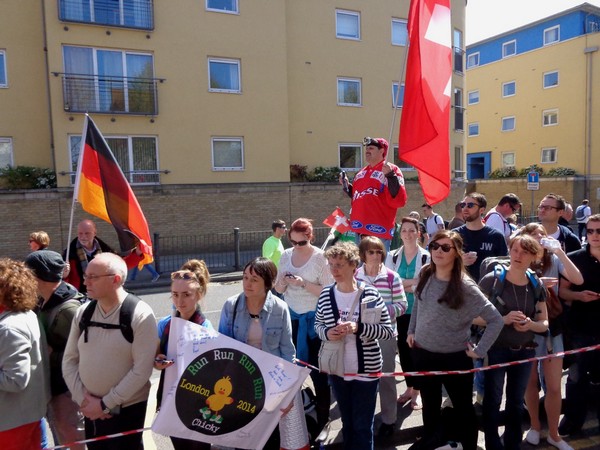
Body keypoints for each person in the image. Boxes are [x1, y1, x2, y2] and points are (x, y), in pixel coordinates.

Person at [407, 231, 503, 450]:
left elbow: (495, 319)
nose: (438, 251)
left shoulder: (465, 286)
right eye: (434, 246)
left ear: (456, 253)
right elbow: (419, 303)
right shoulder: (425, 272)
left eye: (445, 247)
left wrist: (479, 350)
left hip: (454, 358)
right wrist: (411, 331)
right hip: (423, 354)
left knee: (463, 410)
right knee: (430, 407)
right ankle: (431, 443)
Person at [62, 253, 157, 450]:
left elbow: (141, 370)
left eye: (93, 277)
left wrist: (105, 404)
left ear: (115, 279)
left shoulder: (140, 314)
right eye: (86, 276)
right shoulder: (83, 312)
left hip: (127, 411)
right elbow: (69, 361)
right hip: (90, 410)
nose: (85, 282)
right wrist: (84, 400)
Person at [219, 257, 309, 450]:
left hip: (270, 384)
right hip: (240, 384)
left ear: (268, 283)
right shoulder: (231, 305)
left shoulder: (279, 308)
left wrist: (288, 392)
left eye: (254, 279)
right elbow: (222, 348)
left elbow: (287, 352)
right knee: (244, 437)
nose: (247, 283)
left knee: (270, 438)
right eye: (245, 277)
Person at [315, 242, 394, 450]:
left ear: (353, 265)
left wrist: (358, 328)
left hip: (367, 371)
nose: (334, 270)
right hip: (337, 370)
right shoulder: (326, 294)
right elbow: (318, 326)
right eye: (331, 265)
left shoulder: (371, 294)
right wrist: (327, 333)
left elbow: (387, 331)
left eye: (340, 265)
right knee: (347, 423)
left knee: (362, 425)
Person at [478, 235, 549, 450]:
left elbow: (544, 323)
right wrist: (503, 319)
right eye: (515, 250)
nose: (518, 255)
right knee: (493, 400)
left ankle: (512, 443)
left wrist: (530, 324)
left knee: (516, 402)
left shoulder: (536, 284)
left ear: (534, 256)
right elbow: (472, 317)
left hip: (525, 350)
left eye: (525, 252)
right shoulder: (492, 280)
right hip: (496, 348)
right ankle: (493, 445)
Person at [518, 224, 582, 450]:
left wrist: (560, 252)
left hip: (552, 328)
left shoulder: (553, 260)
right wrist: (537, 283)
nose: (539, 238)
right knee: (530, 383)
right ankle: (535, 426)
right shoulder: (519, 259)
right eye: (533, 234)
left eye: (542, 235)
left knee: (554, 387)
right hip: (527, 326)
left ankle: (554, 434)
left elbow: (578, 279)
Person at [274, 218, 334, 431]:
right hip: (291, 319)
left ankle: (324, 419)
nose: (297, 246)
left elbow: (329, 291)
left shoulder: (320, 258)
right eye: (293, 242)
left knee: (318, 373)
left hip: (315, 321)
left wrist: (303, 284)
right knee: (291, 370)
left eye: (302, 242)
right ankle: (296, 418)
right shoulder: (286, 255)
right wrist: (283, 280)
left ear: (310, 238)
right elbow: (278, 289)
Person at [24, 250, 86, 449]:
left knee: (73, 439)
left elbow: (85, 354)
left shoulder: (68, 310)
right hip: (55, 385)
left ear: (38, 276)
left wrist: (51, 353)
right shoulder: (43, 300)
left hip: (68, 391)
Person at [155, 260, 212, 450]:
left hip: (198, 404)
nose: (180, 301)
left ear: (199, 294)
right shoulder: (165, 325)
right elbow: (156, 358)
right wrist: (158, 362)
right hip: (171, 401)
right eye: (175, 295)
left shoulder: (206, 328)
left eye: (186, 295)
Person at [355, 236, 407, 438]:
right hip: (360, 335)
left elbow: (402, 305)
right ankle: (362, 418)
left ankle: (389, 419)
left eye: (379, 252)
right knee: (361, 378)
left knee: (386, 378)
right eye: (371, 252)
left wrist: (382, 311)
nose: (376, 256)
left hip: (385, 335)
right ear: (363, 255)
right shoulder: (354, 276)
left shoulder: (392, 277)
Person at [0, 258, 50, 450]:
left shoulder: (9, 328)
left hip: (11, 422)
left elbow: (15, 380)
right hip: (25, 415)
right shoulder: (26, 315)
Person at [557, 214, 600, 437]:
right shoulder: (575, 258)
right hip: (580, 327)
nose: (594, 235)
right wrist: (579, 296)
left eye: (599, 231)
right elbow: (562, 291)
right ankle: (573, 420)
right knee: (576, 378)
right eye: (590, 231)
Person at [386, 217, 430, 411]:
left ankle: (417, 392)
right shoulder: (392, 256)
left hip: (419, 312)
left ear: (418, 233)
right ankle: (409, 387)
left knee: (417, 352)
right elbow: (389, 283)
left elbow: (424, 286)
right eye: (404, 230)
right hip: (399, 311)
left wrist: (402, 283)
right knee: (403, 352)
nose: (408, 234)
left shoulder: (426, 257)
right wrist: (412, 283)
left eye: (412, 230)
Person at [339, 137, 407, 250]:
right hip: (359, 231)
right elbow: (360, 196)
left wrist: (390, 176)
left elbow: (399, 200)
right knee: (360, 262)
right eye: (366, 148)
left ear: (382, 151)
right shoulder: (361, 173)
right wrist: (347, 187)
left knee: (377, 261)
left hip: (379, 231)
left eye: (371, 148)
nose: (367, 151)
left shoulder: (391, 169)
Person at [62, 219, 143, 293]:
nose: (83, 237)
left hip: (104, 292)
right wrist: (64, 275)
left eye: (87, 233)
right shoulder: (69, 254)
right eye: (80, 233)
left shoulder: (105, 250)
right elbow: (62, 283)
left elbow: (119, 266)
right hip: (81, 295)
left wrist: (137, 254)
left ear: (95, 233)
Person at [454, 193, 508, 281]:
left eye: (470, 205)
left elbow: (504, 265)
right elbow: (443, 263)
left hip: (487, 286)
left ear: (481, 210)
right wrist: (460, 262)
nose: (465, 208)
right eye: (463, 205)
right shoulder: (455, 235)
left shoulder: (496, 236)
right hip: (461, 285)